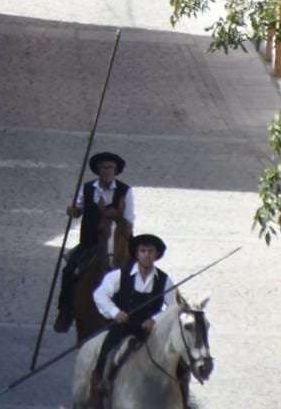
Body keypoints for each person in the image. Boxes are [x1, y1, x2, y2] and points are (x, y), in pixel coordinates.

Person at [89, 233, 172, 406]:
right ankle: (98, 391)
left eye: (150, 251)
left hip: (150, 333)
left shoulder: (164, 280)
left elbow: (175, 307)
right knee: (105, 355)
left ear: (156, 254)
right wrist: (115, 312)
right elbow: (100, 294)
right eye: (143, 251)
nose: (147, 255)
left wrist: (155, 319)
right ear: (137, 253)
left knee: (175, 360)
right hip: (123, 328)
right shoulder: (120, 276)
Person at [54, 151, 133, 332]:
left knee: (138, 271)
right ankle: (65, 311)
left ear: (116, 170)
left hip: (118, 241)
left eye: (110, 167)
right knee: (69, 271)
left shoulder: (126, 191)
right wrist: (73, 211)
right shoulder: (88, 188)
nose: (107, 171)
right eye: (103, 167)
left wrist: (121, 230)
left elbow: (129, 219)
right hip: (90, 242)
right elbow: (79, 209)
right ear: (98, 170)